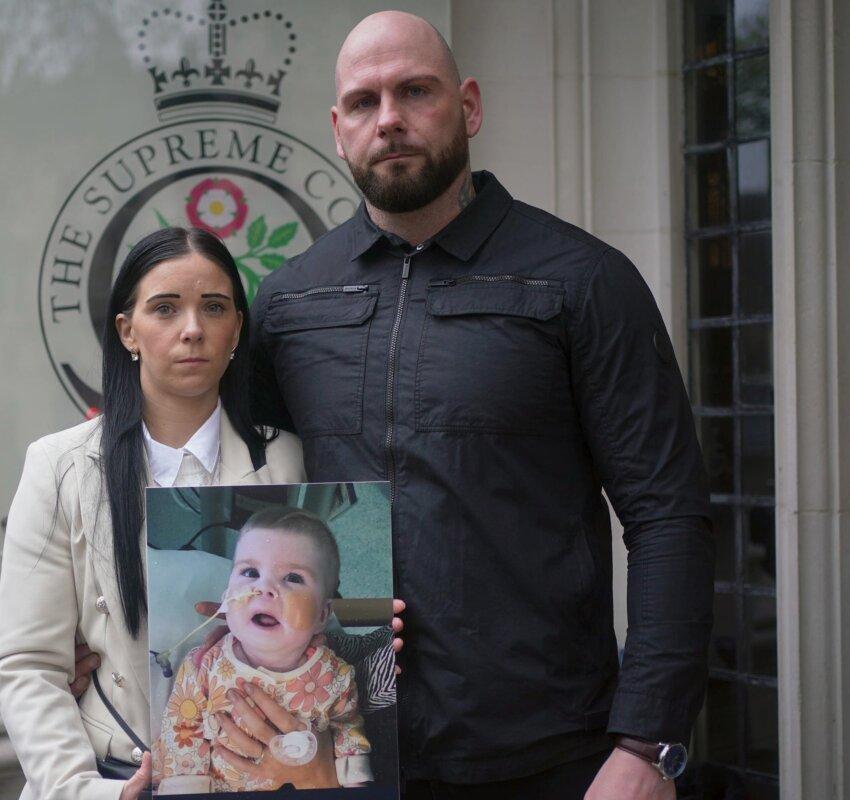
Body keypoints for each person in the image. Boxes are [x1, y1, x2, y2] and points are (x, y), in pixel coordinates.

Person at [246, 11, 715, 800]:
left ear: (468, 107)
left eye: (415, 91)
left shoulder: (582, 282)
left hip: (548, 755)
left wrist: (649, 741)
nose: (388, 119)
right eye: (363, 102)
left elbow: (668, 513)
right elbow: (228, 487)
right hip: (338, 750)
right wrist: (98, 637)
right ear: (338, 130)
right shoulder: (289, 303)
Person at [0, 227, 310, 799]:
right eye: (165, 308)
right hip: (116, 777)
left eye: (214, 307)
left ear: (237, 328)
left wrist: (362, 641)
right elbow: (27, 663)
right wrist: (87, 791)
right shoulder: (60, 466)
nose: (192, 329)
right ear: (127, 330)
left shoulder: (286, 458)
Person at [155, 507, 372, 794]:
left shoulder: (336, 676)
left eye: (293, 578)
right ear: (226, 599)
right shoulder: (202, 665)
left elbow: (346, 724)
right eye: (250, 572)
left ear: (322, 614)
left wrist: (352, 773)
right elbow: (182, 729)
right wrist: (186, 787)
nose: (264, 588)